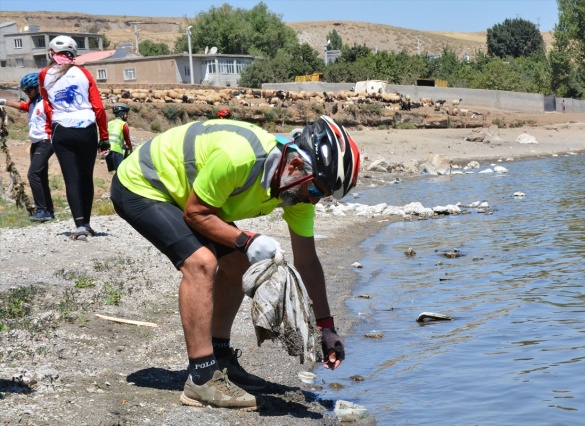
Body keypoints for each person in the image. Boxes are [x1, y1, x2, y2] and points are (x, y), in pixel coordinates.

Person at [110, 115, 360, 409]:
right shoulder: (240, 156)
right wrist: (247, 240)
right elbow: (196, 214)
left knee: (240, 266)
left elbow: (307, 260)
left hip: (187, 195)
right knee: (201, 262)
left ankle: (219, 356)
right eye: (316, 191)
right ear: (294, 165)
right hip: (143, 185)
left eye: (324, 196)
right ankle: (201, 380)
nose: (314, 201)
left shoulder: (297, 189)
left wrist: (325, 327)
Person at [38, 35, 108, 240]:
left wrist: (52, 129)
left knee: (71, 179)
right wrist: (104, 136)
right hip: (86, 128)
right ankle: (87, 223)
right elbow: (99, 108)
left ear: (52, 53)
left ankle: (79, 227)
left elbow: (47, 105)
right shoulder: (84, 73)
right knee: (87, 177)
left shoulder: (43, 74)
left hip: (62, 129)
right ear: (74, 54)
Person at [0, 73, 55, 222]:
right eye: (24, 91)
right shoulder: (32, 103)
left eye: (29, 90)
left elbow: (56, 122)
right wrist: (4, 101)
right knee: (41, 177)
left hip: (46, 141)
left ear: (38, 88)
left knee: (33, 174)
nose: (27, 93)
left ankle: (42, 210)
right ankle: (49, 211)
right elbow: (22, 106)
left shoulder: (46, 103)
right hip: (36, 143)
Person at [100, 104, 132, 172]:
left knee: (116, 171)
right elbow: (127, 139)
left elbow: (110, 137)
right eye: (126, 114)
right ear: (122, 114)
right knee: (121, 172)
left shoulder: (110, 123)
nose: (127, 116)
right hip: (116, 151)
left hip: (108, 151)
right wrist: (130, 149)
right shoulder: (123, 124)